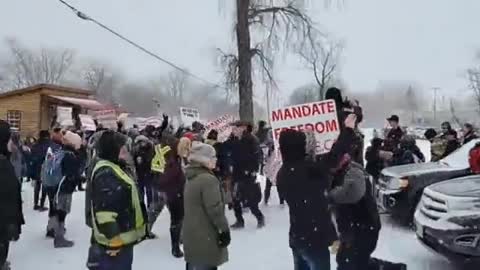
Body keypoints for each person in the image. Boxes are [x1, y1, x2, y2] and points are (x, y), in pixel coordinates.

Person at [277, 114, 357, 270]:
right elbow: (334, 156)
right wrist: (347, 130)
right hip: (314, 239)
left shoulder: (283, 172)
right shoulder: (308, 170)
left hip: (297, 236)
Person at [86, 130, 147, 270]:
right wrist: (114, 240)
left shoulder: (114, 166)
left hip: (121, 239)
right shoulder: (107, 172)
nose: (126, 150)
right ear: (113, 149)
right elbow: (105, 212)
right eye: (123, 147)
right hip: (115, 244)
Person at [328, 156, 381, 270]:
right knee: (349, 261)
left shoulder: (353, 171)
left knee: (352, 262)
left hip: (363, 227)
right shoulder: (337, 173)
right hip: (353, 228)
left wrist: (329, 195)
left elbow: (352, 193)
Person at [183, 143, 230, 270]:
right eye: (213, 157)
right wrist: (223, 230)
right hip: (206, 236)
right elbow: (215, 209)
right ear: (204, 160)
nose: (215, 159)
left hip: (193, 235)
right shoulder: (208, 180)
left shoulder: (191, 176)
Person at [151, 136, 190, 258]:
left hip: (172, 190)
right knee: (177, 218)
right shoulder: (170, 157)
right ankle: (175, 246)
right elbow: (165, 176)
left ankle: (178, 241)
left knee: (177, 217)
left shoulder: (172, 153)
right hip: (172, 192)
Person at [229, 121, 264, 229]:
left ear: (243, 128)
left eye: (235, 128)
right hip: (236, 172)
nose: (233, 130)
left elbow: (257, 156)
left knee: (250, 199)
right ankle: (239, 220)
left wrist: (252, 170)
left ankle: (259, 218)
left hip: (248, 174)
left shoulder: (251, 139)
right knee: (235, 199)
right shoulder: (233, 140)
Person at [0, 120, 24, 270]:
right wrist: (12, 225)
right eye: (9, 138)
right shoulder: (3, 166)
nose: (12, 142)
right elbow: (8, 199)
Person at [52, 131, 83, 248]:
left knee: (59, 209)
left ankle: (56, 232)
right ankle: (59, 238)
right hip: (65, 187)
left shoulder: (62, 151)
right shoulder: (70, 155)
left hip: (59, 186)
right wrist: (79, 178)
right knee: (62, 211)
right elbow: (71, 174)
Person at [43, 128, 65, 239]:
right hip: (55, 181)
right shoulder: (56, 148)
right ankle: (53, 228)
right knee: (55, 205)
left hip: (49, 180)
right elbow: (55, 165)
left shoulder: (53, 147)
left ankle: (52, 227)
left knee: (53, 204)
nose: (62, 136)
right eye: (60, 134)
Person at [31, 130, 51, 211]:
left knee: (37, 186)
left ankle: (35, 204)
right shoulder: (49, 145)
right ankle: (42, 204)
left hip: (36, 167)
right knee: (44, 187)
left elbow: (32, 155)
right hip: (45, 167)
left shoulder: (35, 144)